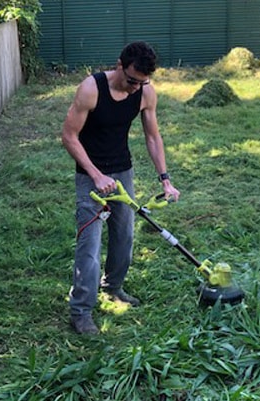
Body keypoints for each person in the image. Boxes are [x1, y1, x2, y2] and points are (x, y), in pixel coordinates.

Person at [62, 41, 180, 335]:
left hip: (123, 171)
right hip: (91, 175)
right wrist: (95, 174)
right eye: (131, 80)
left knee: (124, 235)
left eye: (142, 82)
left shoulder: (144, 92)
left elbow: (153, 137)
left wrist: (165, 178)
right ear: (119, 65)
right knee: (90, 244)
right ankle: (81, 311)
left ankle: (112, 288)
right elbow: (69, 136)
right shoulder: (91, 89)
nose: (134, 88)